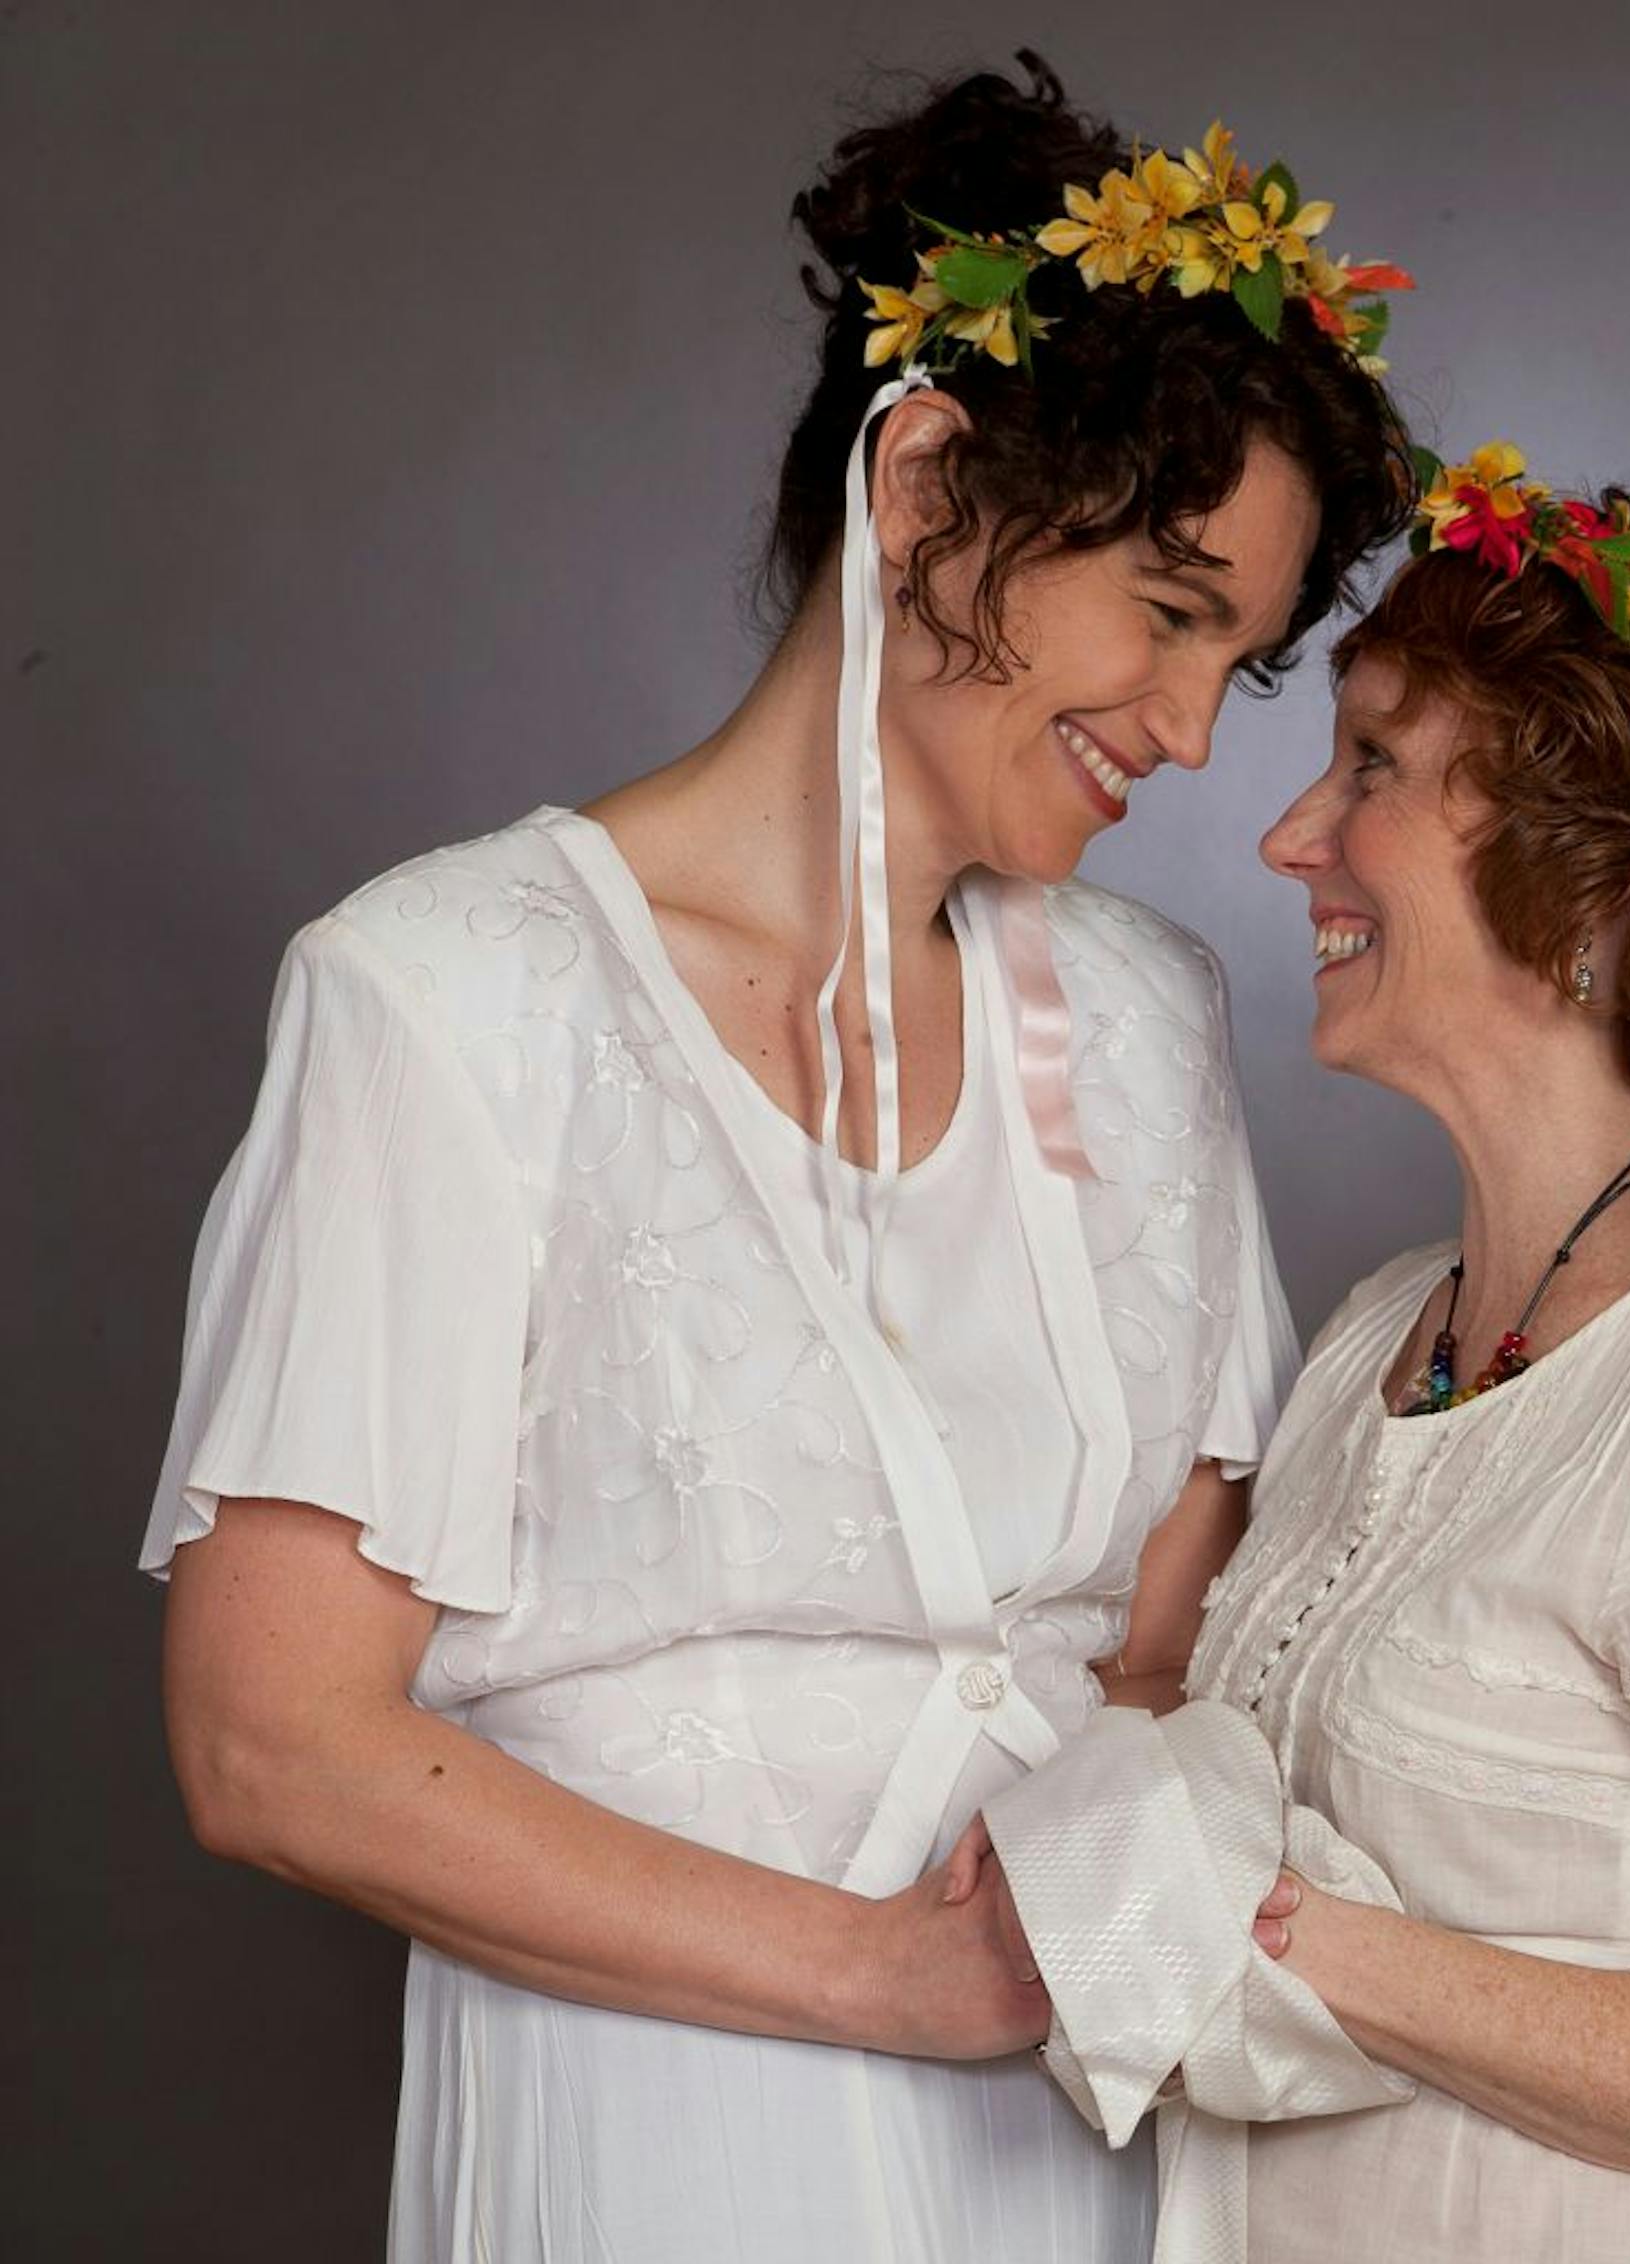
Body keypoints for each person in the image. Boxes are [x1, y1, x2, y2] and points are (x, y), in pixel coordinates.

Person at [139, 55, 1411, 2261]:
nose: (1199, 728)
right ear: (924, 483)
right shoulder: (447, 994)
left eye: (1248, 654)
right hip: (664, 2130)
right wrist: (880, 1975)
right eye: (1172, 606)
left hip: (1099, 2135)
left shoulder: (1142, 1017)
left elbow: (1186, 1656)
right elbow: (276, 1745)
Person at [963, 444, 1630, 2261]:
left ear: (1596, 872)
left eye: (1377, 768)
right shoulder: (1371, 1342)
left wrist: (1267, 1930)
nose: (1286, 835)